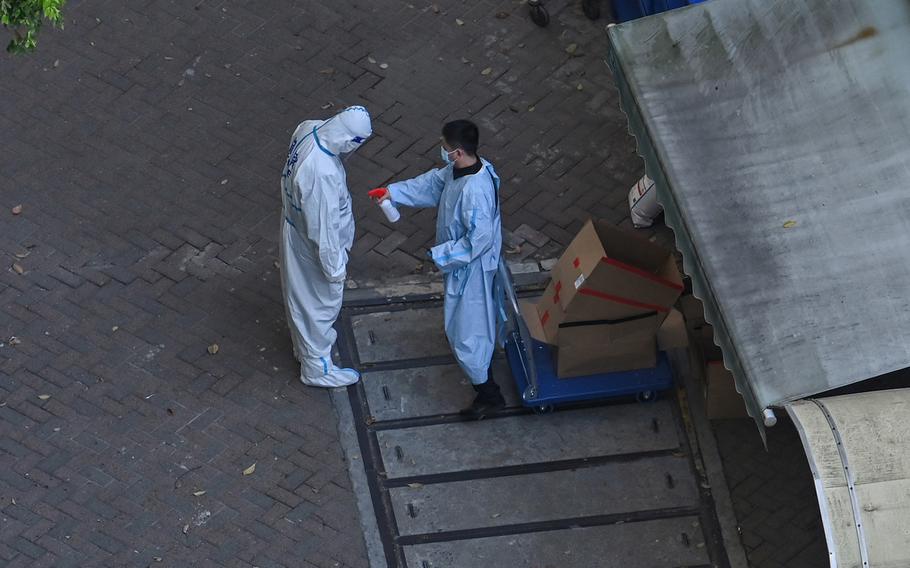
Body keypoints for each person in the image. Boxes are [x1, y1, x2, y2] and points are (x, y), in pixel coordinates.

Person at [369, 120, 505, 417]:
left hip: (471, 270)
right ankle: (484, 381)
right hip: (462, 266)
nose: (441, 152)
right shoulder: (464, 170)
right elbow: (432, 184)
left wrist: (441, 255)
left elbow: (477, 242)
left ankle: (490, 396)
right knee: (468, 326)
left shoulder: (475, 192)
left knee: (468, 333)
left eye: (444, 148)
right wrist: (393, 192)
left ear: (456, 152)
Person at [280, 106, 372, 387]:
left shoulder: (308, 126)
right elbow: (323, 229)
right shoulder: (321, 173)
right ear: (348, 141)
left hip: (294, 228)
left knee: (300, 296)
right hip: (313, 246)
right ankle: (317, 368)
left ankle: (305, 350)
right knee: (320, 304)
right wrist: (334, 269)